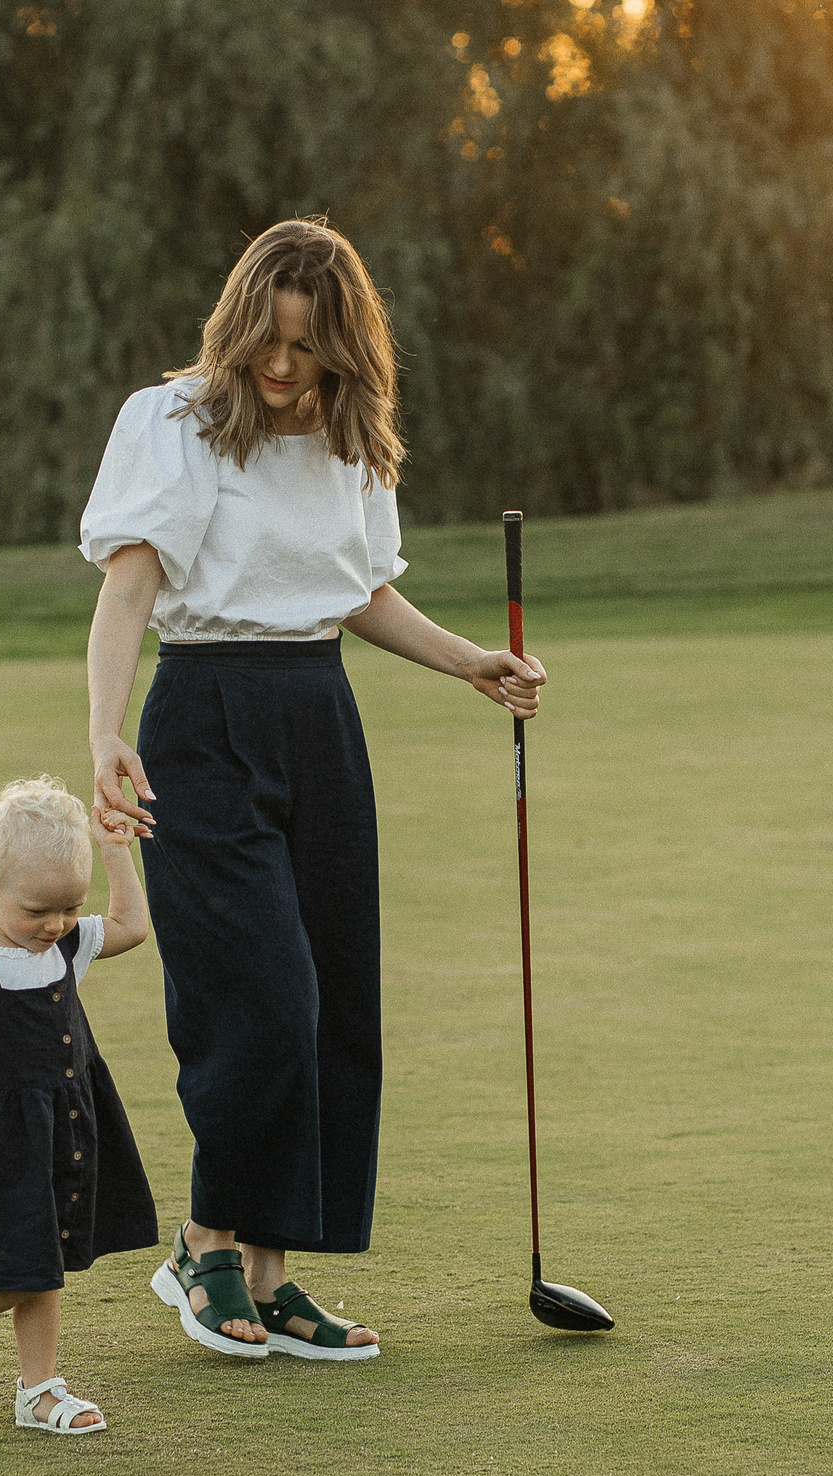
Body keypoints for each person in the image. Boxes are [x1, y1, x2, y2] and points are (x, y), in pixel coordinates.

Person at [79, 217, 545, 1363]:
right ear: (240, 329)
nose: (283, 366)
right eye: (268, 341)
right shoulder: (172, 421)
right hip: (202, 721)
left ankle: (276, 1275)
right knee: (264, 1001)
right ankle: (203, 1244)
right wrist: (103, 733)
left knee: (332, 1001)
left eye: (308, 345)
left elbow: (356, 595)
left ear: (345, 347)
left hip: (318, 719)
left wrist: (468, 662)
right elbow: (131, 590)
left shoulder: (351, 439)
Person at [0, 776, 158, 1435]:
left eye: (69, 908)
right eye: (40, 910)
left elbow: (132, 925)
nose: (57, 924)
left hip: (65, 1125)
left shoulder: (66, 944)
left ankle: (39, 1391)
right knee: (37, 1261)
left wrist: (113, 850)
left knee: (53, 1262)